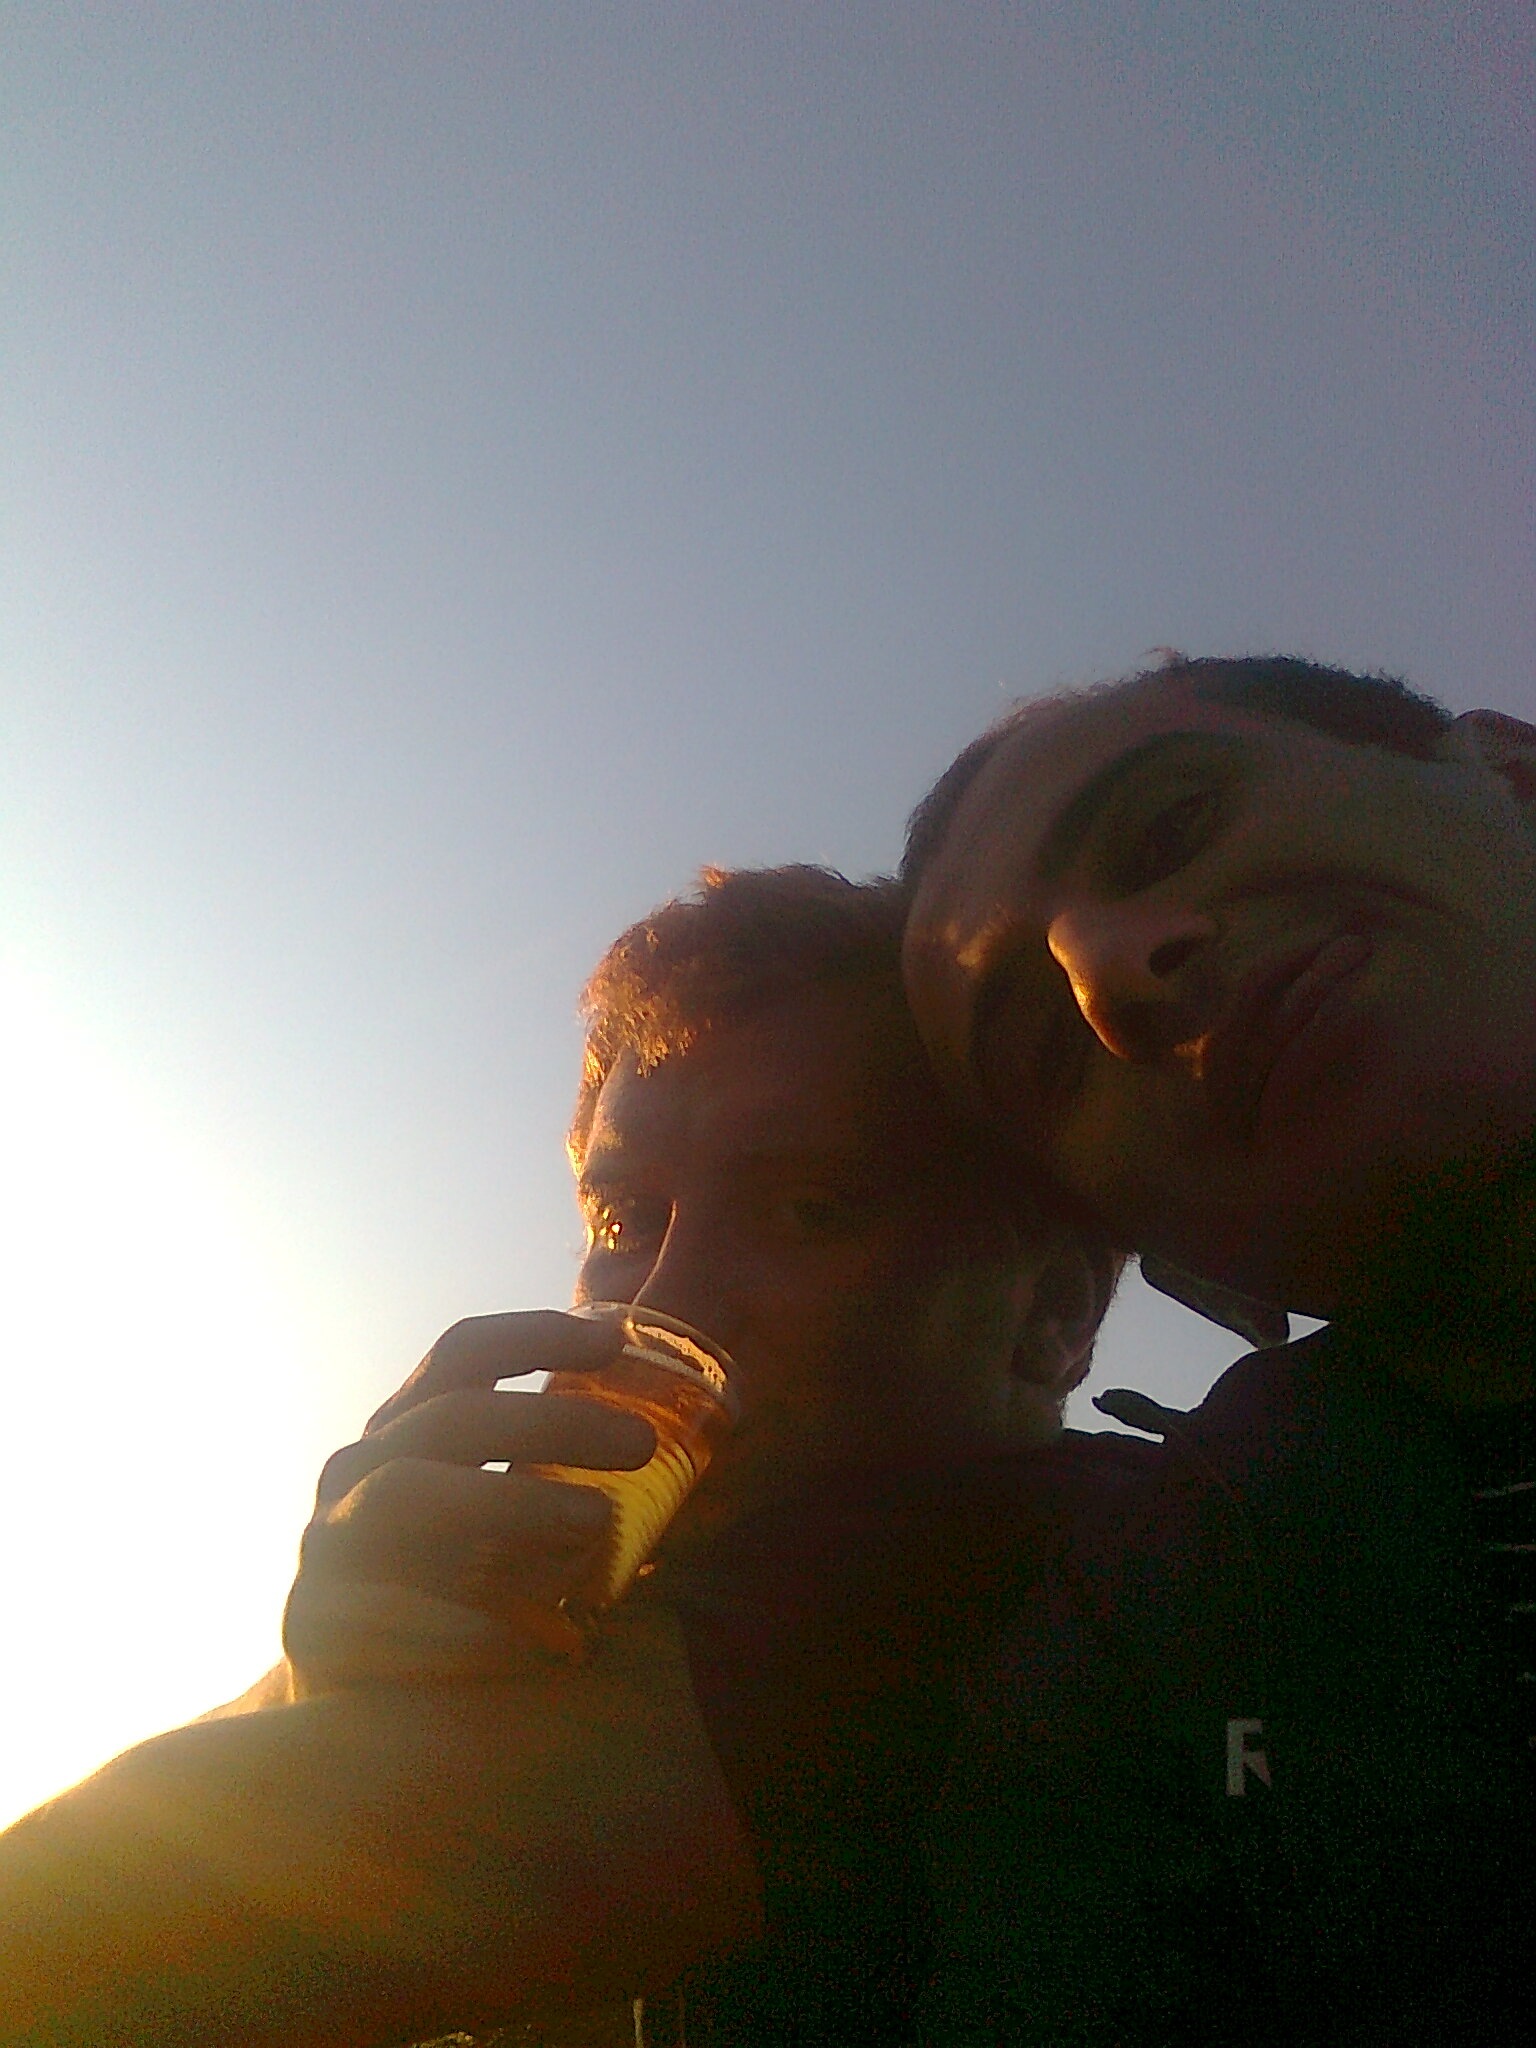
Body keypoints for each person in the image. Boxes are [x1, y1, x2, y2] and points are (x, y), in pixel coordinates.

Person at [0, 865, 1127, 2046]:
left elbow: (106, 1922)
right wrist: (327, 1672)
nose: (665, 1297)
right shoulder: (611, 1628)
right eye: (624, 1218)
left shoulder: (1062, 1587)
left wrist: (335, 1731)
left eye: (812, 1206)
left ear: (1049, 1313)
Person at [900, 653, 1536, 2041]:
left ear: (1514, 773)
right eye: (1048, 1059)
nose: (1108, 979)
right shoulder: (1151, 1663)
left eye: (1175, 823)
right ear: (1178, 1265)